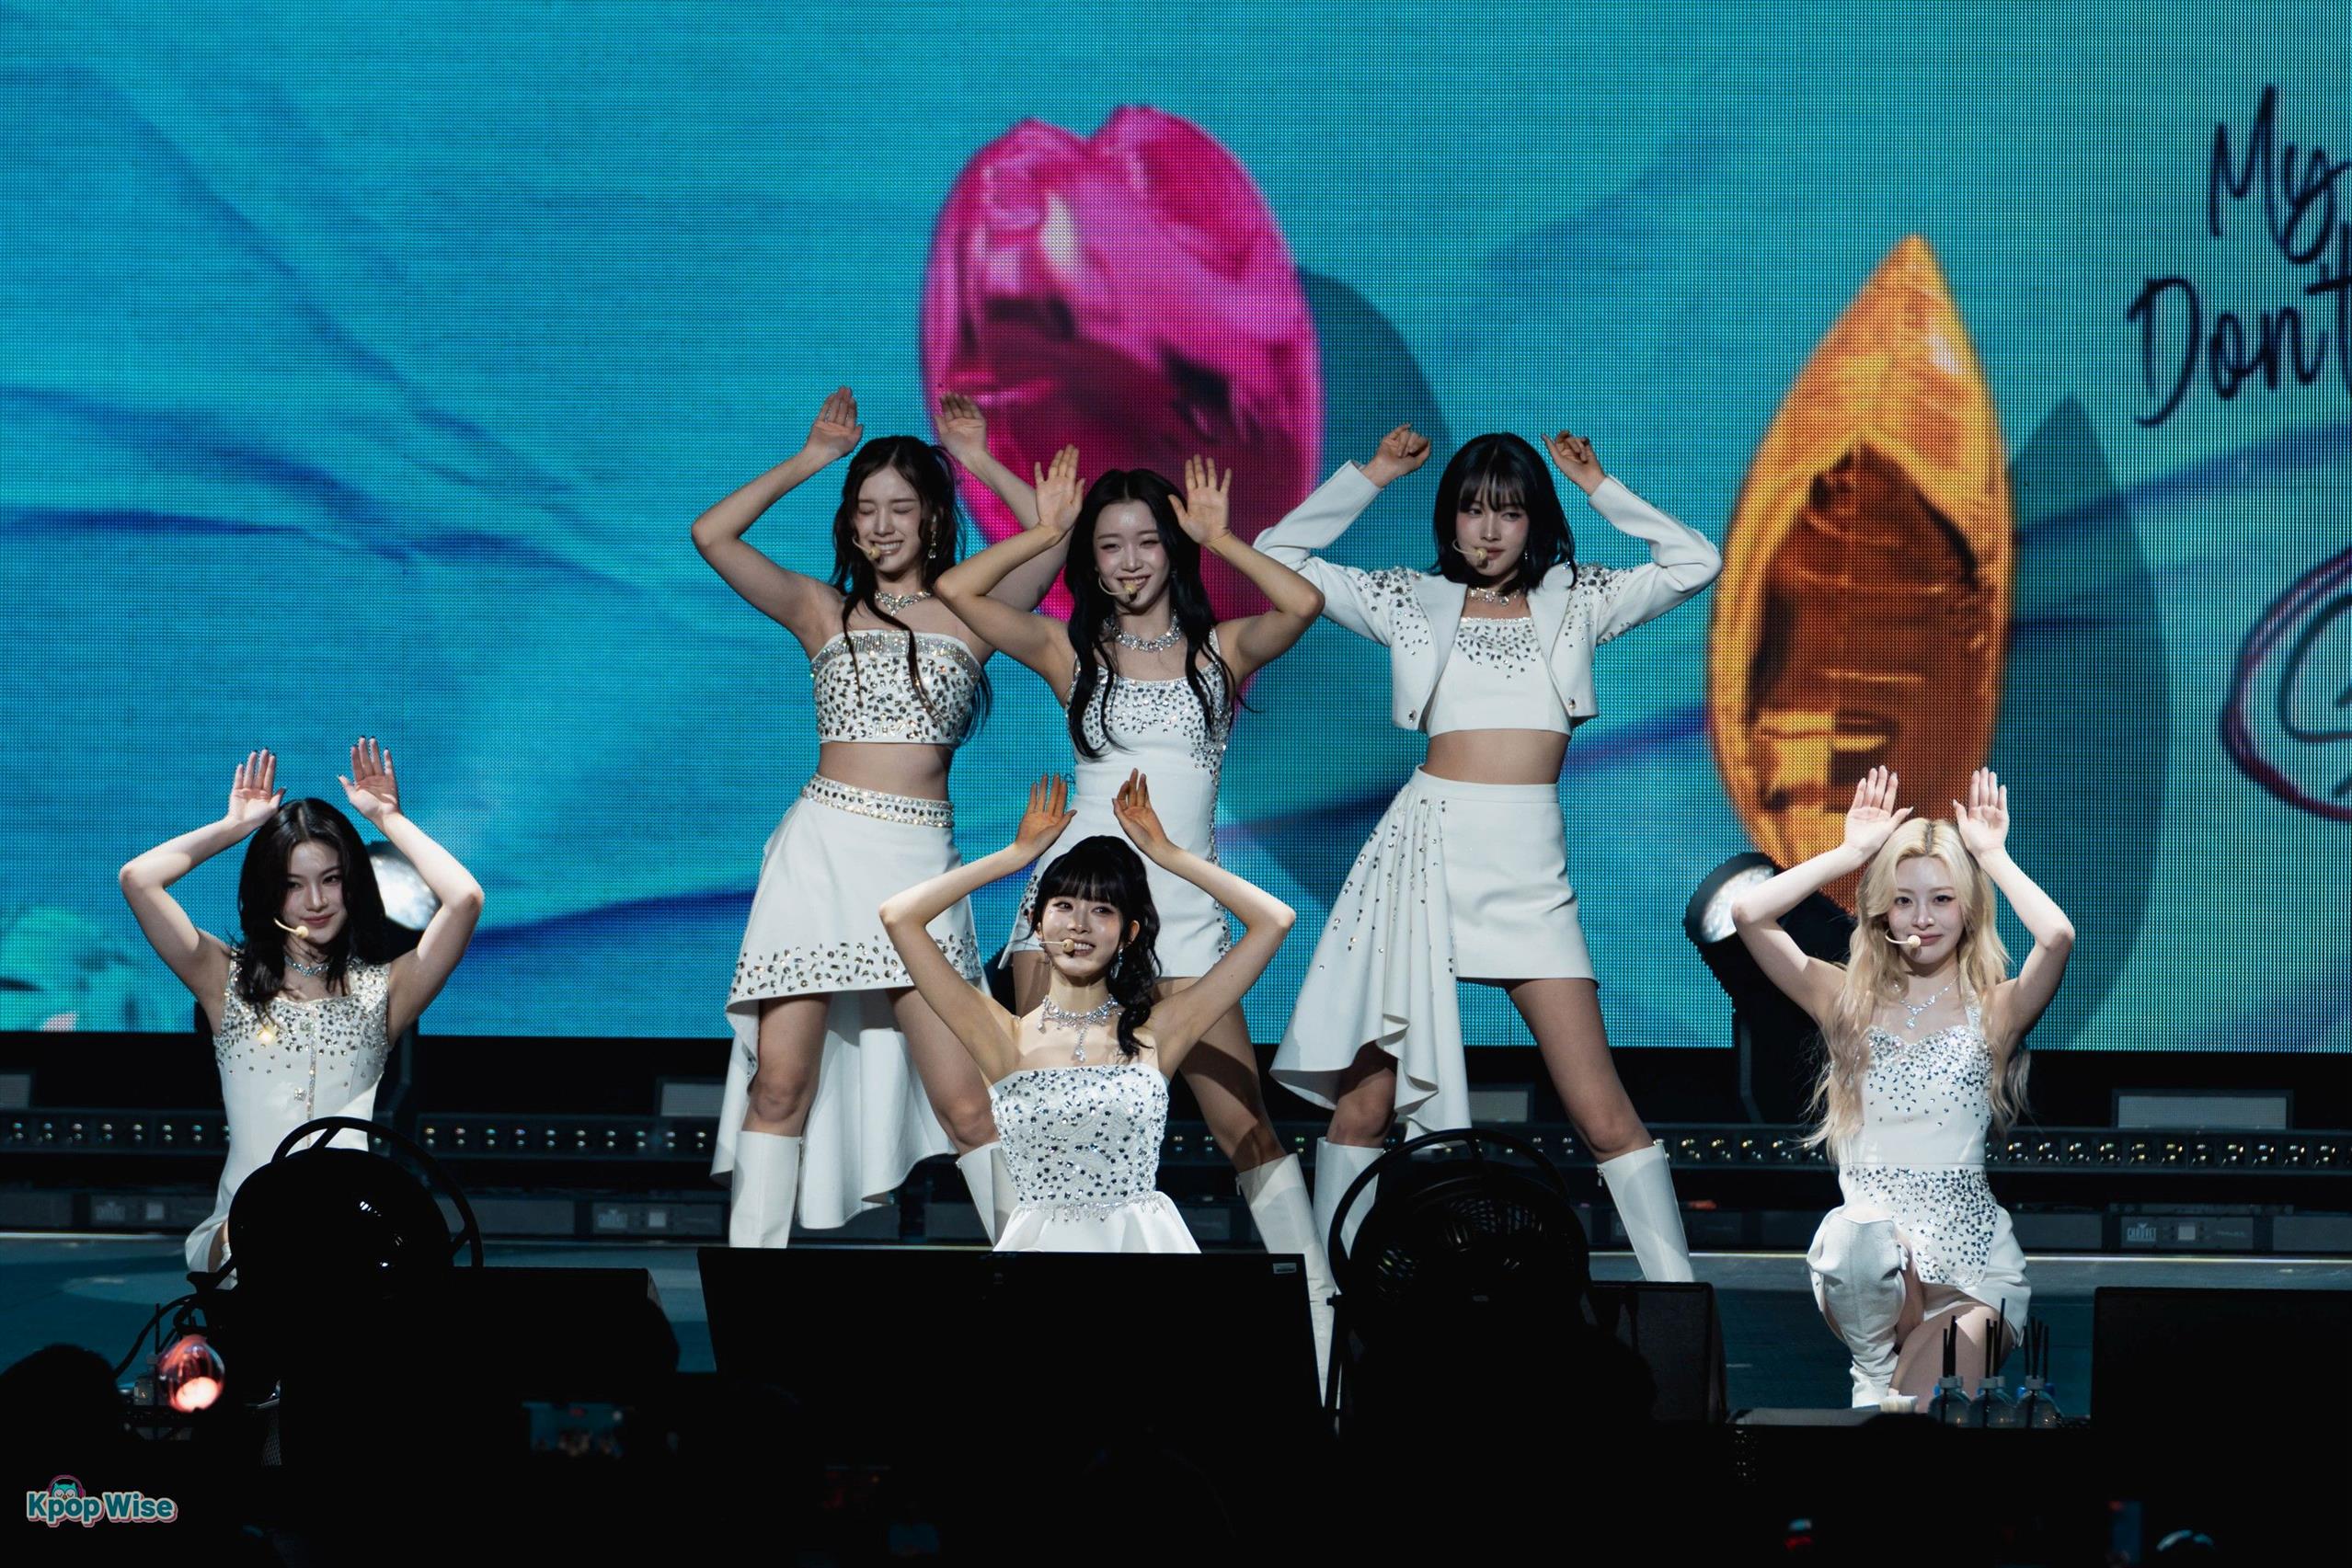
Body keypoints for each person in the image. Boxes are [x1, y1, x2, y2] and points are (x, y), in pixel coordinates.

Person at [1257, 425, 1722, 1280]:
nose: (1488, 528)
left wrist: (1599, 484)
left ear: (1533, 519)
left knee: (1603, 1116)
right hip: (1421, 858)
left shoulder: (1579, 597)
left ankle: (1681, 1307)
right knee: (1364, 1110)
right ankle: (1328, 1314)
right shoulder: (1407, 598)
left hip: (1529, 873)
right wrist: (1374, 472)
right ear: (1450, 519)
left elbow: (1695, 562)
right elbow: (1277, 555)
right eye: (1472, 510)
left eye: (1508, 511)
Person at [932, 440, 1337, 1347]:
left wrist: (1221, 539)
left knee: (1247, 1131)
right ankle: (1039, 1318)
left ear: (1172, 547)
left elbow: (1302, 604)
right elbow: (958, 591)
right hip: (1072, 916)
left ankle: (1317, 1323)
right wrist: (1044, 529)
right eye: (1108, 544)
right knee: (1039, 1120)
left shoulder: (1219, 654)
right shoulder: (1068, 652)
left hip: (1183, 919)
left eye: (1146, 541)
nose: (1127, 561)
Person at [693, 387, 1068, 1247]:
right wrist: (812, 458)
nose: (882, 524)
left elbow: (1055, 537)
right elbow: (712, 535)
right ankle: (752, 1291)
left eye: (901, 507)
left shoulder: (972, 611)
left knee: (968, 1103)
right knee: (779, 1087)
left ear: (932, 518)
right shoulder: (821, 609)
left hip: (919, 871)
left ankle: (1042, 1275)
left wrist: (975, 459)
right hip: (820, 854)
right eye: (866, 509)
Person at [1731, 766, 2073, 1406]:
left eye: (1942, 898)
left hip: (1974, 1272)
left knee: (1914, 1417)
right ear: (1881, 909)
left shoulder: (1995, 1010)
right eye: (1904, 899)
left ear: (1967, 907)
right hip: (1873, 1272)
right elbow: (1749, 912)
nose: (1922, 918)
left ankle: (1877, 1387)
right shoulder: (1846, 1001)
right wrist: (1850, 853)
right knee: (1855, 1239)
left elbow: (2055, 938)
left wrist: (1991, 857)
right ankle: (1871, 1369)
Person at [879, 773, 1297, 1254]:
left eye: (1102, 911)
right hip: (1041, 1254)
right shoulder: (1001, 1036)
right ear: (1037, 924)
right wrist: (1016, 856)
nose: (1078, 925)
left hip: (1141, 1248)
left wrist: (1167, 854)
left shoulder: (1158, 1033)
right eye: (1063, 905)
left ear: (1128, 934)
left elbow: (1275, 920)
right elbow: (899, 916)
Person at [117, 742, 484, 1275]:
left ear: (353, 883)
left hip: (351, 1238)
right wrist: (235, 827)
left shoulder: (386, 990)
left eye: (331, 879)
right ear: (270, 892)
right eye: (293, 884)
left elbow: (465, 898)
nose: (315, 901)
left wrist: (389, 819)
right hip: (243, 1238)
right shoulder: (224, 979)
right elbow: (139, 879)